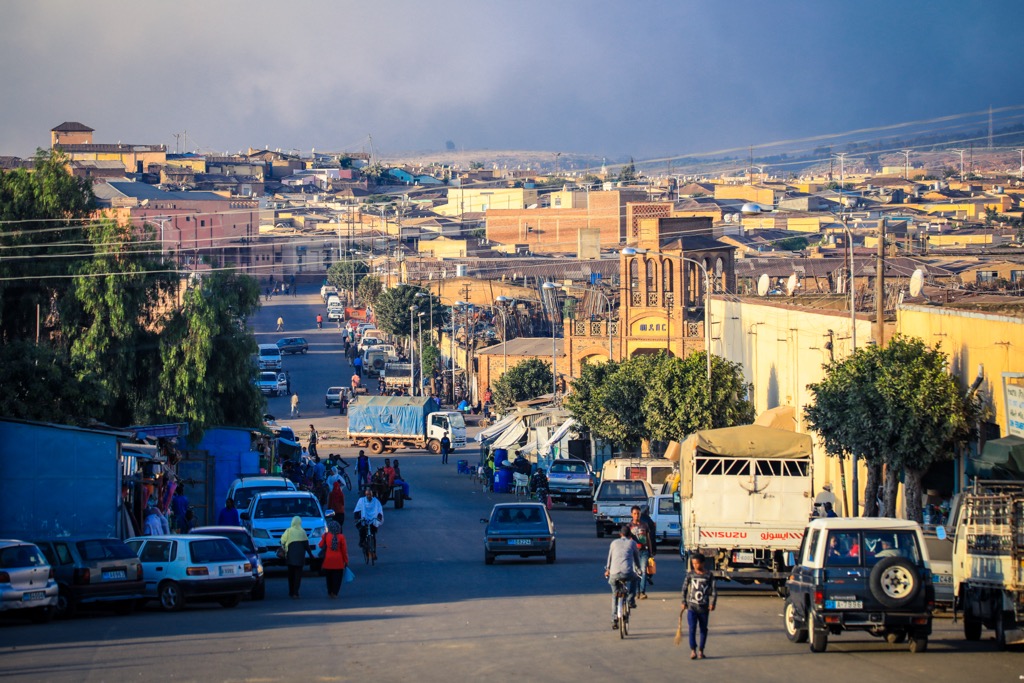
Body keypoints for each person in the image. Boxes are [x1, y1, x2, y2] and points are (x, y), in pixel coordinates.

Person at [682, 553, 717, 660]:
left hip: (704, 607)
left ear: (702, 563)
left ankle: (701, 650)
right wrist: (683, 601)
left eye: (697, 563)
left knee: (703, 629)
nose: (695, 565)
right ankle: (693, 650)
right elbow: (684, 588)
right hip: (692, 606)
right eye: (693, 564)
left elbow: (714, 591)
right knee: (692, 628)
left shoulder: (709, 575)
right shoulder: (690, 574)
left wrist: (713, 603)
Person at [604, 525, 640, 630]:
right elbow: (636, 559)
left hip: (614, 574)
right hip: (627, 572)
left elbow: (609, 559)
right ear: (630, 535)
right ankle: (631, 600)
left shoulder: (614, 543)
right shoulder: (632, 543)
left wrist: (607, 570)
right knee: (635, 578)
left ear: (620, 534)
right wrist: (638, 569)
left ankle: (614, 619)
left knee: (615, 594)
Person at [629, 505, 655, 600]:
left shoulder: (644, 525)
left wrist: (651, 552)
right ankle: (637, 592)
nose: (636, 515)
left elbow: (648, 539)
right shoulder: (629, 526)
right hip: (633, 553)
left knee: (644, 571)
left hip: (644, 551)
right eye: (635, 514)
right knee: (636, 572)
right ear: (631, 514)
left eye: (638, 514)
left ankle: (642, 592)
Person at [280, 516, 309, 599]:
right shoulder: (302, 532)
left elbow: (282, 540)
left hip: (290, 558)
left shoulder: (288, 531)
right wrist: (311, 555)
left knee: (291, 575)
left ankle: (291, 591)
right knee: (298, 576)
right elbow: (306, 545)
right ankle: (296, 592)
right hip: (300, 558)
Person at [319, 520, 348, 598]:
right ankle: (335, 592)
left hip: (328, 561)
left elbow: (320, 545)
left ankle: (330, 592)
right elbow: (344, 550)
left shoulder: (326, 536)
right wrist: (346, 561)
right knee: (337, 579)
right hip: (339, 562)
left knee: (329, 578)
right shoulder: (341, 537)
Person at [353, 488, 384, 559]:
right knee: (362, 531)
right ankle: (362, 542)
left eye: (369, 494)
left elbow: (380, 510)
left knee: (373, 536)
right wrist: (357, 518)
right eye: (367, 494)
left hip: (373, 521)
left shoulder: (376, 501)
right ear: (365, 494)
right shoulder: (361, 501)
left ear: (372, 494)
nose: (368, 496)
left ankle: (374, 553)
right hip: (364, 520)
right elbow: (357, 510)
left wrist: (379, 516)